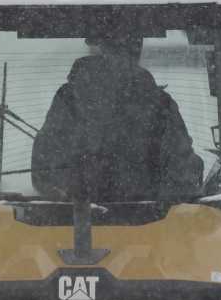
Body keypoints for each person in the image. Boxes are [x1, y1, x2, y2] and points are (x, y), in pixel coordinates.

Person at [30, 35, 204, 201]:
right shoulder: (159, 103)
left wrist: (76, 197)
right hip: (149, 224)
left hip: (72, 224)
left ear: (98, 47)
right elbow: (183, 174)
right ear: (136, 50)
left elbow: (45, 169)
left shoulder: (68, 98)